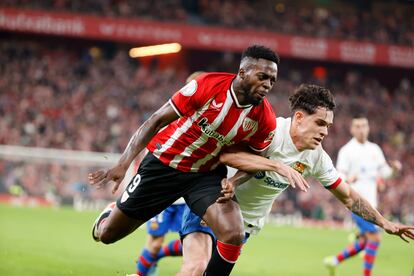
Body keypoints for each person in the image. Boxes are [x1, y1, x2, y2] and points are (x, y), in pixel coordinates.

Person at [88, 45, 309, 276]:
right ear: (242, 72)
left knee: (233, 233)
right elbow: (155, 120)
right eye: (262, 76)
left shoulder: (264, 119)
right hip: (164, 165)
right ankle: (109, 214)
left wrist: (235, 182)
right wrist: (124, 163)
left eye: (272, 80)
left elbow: (254, 161)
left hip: (204, 177)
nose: (267, 85)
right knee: (108, 235)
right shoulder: (207, 85)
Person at [176, 84, 414, 276]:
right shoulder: (269, 130)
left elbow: (349, 198)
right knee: (195, 268)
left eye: (328, 126)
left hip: (245, 225)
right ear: (299, 118)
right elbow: (229, 155)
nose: (325, 132)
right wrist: (267, 169)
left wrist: (385, 223)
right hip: (213, 203)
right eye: (320, 123)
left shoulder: (317, 158)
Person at [134, 72, 204, 276]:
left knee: (195, 247)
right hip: (163, 194)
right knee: (154, 243)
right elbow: (151, 150)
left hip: (190, 198)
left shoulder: (210, 126)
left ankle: (157, 257)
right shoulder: (170, 116)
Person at [323, 115, 403, 276]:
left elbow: (385, 174)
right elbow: (339, 175)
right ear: (352, 129)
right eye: (358, 126)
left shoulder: (375, 149)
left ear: (368, 128)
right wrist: (348, 179)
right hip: (356, 204)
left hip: (373, 204)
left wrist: (394, 170)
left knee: (366, 241)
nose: (362, 129)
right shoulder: (347, 151)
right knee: (375, 238)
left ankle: (334, 261)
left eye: (364, 126)